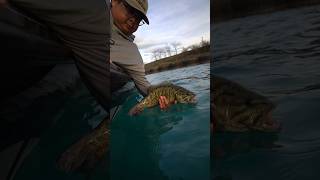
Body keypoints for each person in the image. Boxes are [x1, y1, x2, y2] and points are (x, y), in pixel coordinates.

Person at [110, 0, 170, 109]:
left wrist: (162, 96)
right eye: (130, 10)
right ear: (115, 1)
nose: (134, 20)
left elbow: (146, 88)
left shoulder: (133, 54)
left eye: (139, 18)